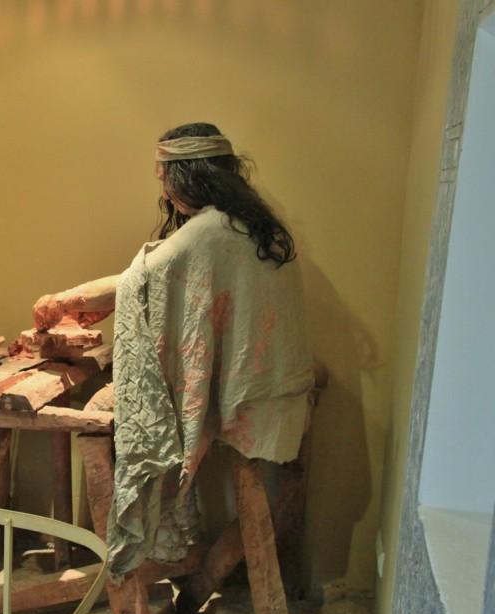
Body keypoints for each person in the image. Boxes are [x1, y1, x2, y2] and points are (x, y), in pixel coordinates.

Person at [33, 122, 314, 577]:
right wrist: (87, 300)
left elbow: (142, 282)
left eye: (162, 176)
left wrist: (64, 301)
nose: (161, 188)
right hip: (275, 386)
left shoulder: (209, 231)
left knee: (116, 413)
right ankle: (181, 547)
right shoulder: (252, 225)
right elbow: (157, 282)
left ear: (184, 177)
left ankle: (151, 549)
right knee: (157, 413)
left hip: (248, 400)